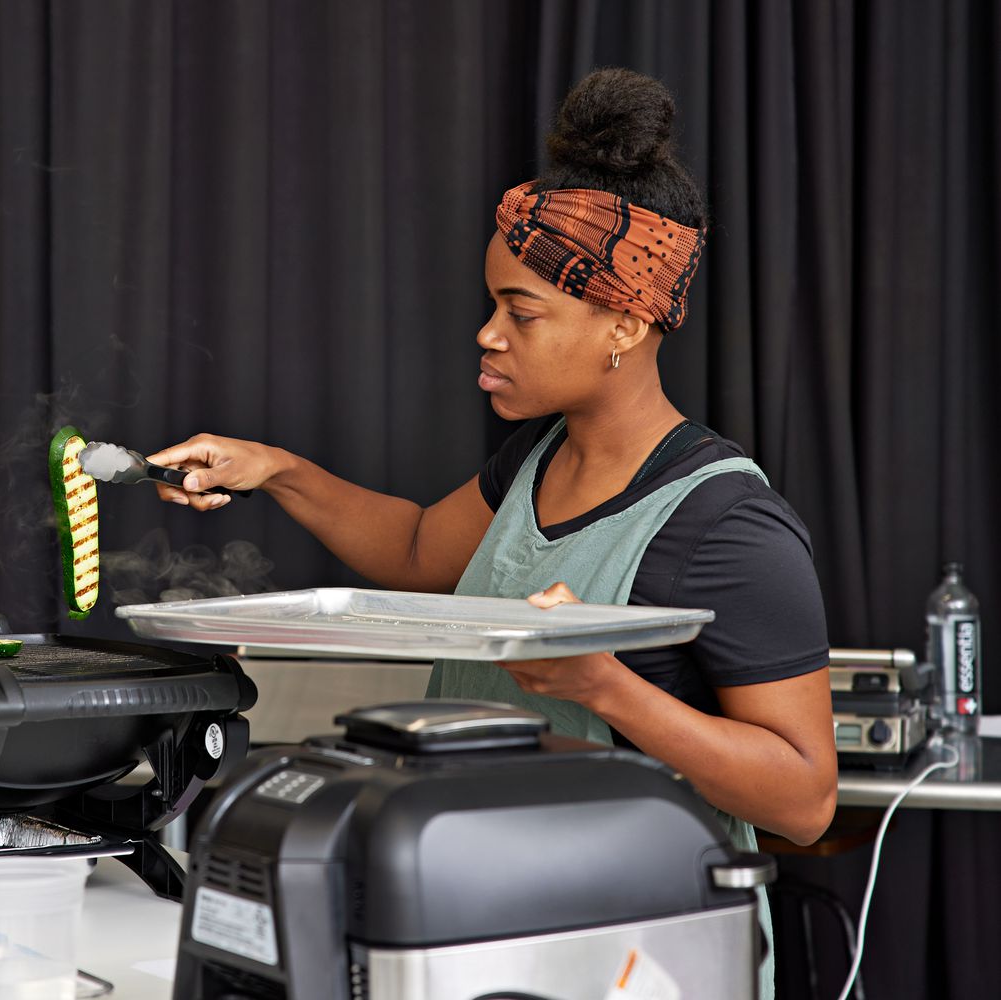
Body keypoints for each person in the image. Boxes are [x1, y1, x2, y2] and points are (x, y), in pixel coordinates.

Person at [147, 67, 834, 997]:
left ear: (624, 324)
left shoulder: (727, 524)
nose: (487, 334)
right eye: (491, 305)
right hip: (486, 913)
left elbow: (802, 797)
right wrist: (279, 470)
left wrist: (606, 687)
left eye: (523, 312)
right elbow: (421, 553)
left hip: (632, 944)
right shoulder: (537, 458)